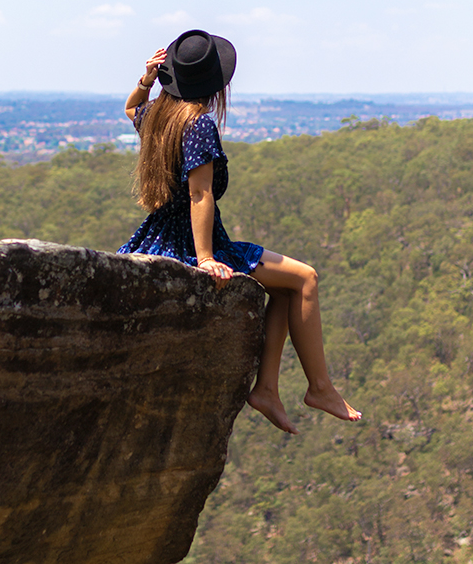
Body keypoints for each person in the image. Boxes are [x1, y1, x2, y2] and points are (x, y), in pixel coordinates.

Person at [117, 29, 361, 434]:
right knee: (305, 279)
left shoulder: (159, 117)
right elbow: (199, 194)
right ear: (215, 85)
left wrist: (145, 80)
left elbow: (131, 109)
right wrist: (206, 258)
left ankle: (267, 390)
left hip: (158, 233)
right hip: (193, 242)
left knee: (287, 286)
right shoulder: (197, 125)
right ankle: (319, 387)